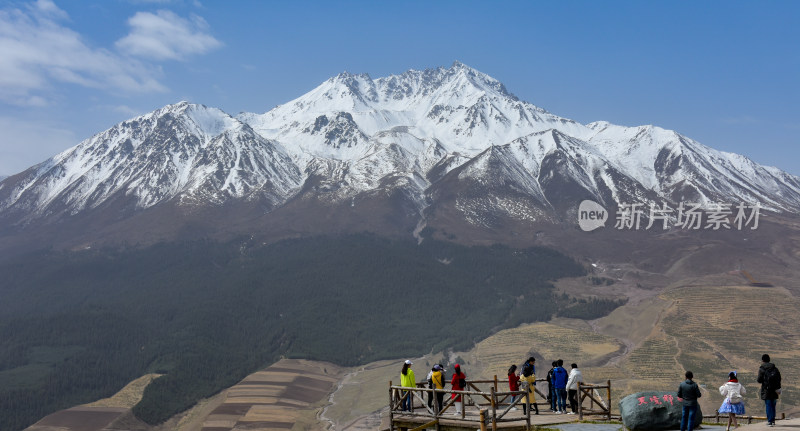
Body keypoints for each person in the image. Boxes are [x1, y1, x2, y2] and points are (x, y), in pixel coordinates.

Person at [757, 354, 781, 426]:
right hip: (774, 390)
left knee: (768, 405)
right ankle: (773, 420)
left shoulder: (762, 369)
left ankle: (770, 421)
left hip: (766, 390)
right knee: (773, 405)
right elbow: (779, 378)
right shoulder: (775, 368)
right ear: (769, 360)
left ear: (763, 360)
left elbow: (759, 380)